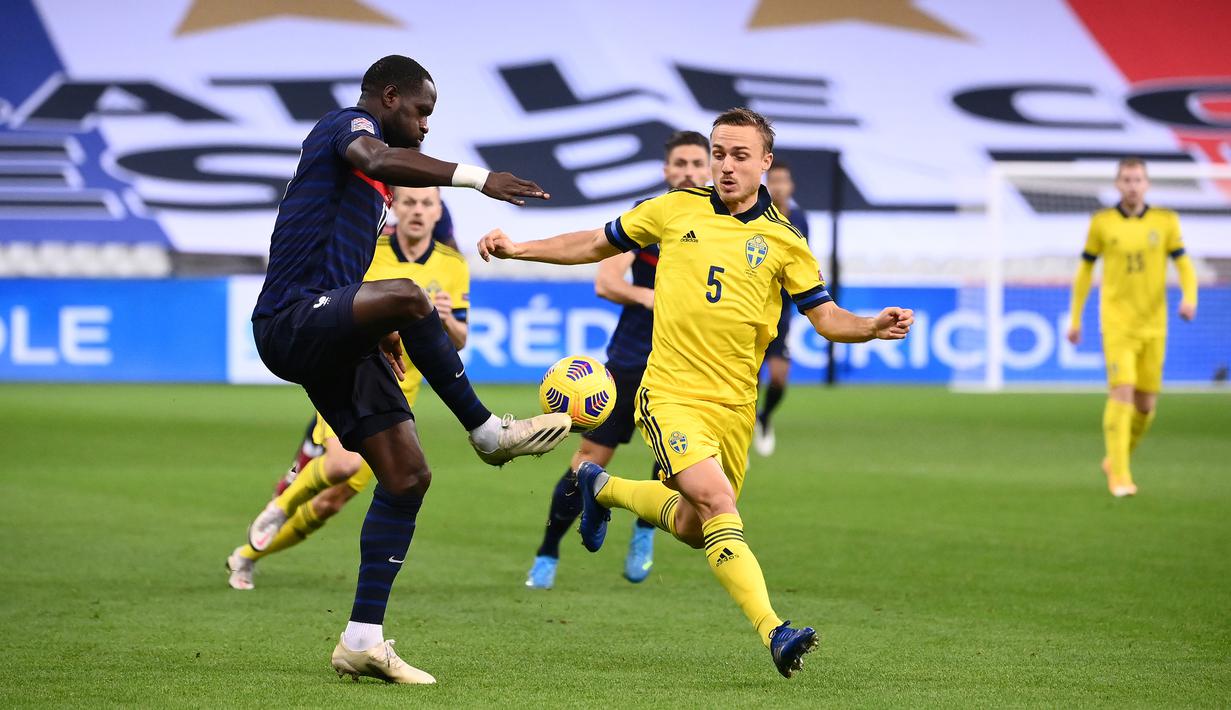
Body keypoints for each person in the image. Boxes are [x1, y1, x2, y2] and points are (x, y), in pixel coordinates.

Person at [478, 108, 913, 678]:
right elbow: (593, 243)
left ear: (765, 162)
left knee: (692, 524)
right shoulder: (673, 207)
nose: (726, 166)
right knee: (718, 504)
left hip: (735, 406)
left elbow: (826, 317)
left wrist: (871, 326)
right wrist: (519, 248)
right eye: (719, 154)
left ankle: (601, 487)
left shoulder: (785, 240)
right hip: (670, 394)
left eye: (740, 156)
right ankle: (775, 630)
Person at [250, 55, 572, 684]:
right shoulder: (344, 126)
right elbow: (375, 159)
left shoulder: (370, 182)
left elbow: (342, 251)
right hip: (287, 319)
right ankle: (487, 433)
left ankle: (361, 640)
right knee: (409, 292)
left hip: (332, 336)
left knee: (407, 477)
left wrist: (376, 326)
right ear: (389, 96)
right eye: (422, 111)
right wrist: (480, 178)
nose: (425, 125)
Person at [228, 186, 469, 590]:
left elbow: (459, 341)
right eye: (410, 202)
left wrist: (443, 320)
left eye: (427, 203)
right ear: (395, 207)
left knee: (330, 503)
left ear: (438, 211)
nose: (417, 210)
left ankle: (245, 556)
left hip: (399, 399)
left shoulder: (453, 264)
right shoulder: (369, 250)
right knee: (343, 464)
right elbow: (338, 307)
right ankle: (281, 504)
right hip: (353, 372)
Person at [525, 130, 712, 590]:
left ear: (708, 169)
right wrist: (653, 298)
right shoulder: (648, 216)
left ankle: (644, 532)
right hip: (631, 359)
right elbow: (607, 282)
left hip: (686, 362)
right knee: (588, 459)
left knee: (677, 462)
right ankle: (547, 552)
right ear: (667, 170)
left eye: (696, 163)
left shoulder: (721, 223)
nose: (688, 171)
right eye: (680, 163)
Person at [1067, 158, 1198, 498]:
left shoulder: (1165, 221)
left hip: (1154, 324)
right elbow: (1085, 272)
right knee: (1121, 391)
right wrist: (1075, 317)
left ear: (1147, 184)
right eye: (1126, 179)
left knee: (1145, 406)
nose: (1132, 186)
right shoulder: (1102, 223)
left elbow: (1184, 264)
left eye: (1137, 179)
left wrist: (1190, 297)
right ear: (1117, 184)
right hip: (1117, 323)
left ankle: (1114, 460)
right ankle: (1121, 477)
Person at [753, 161, 810, 456]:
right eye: (772, 180)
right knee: (749, 378)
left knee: (778, 377)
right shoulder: (755, 213)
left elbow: (802, 260)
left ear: (791, 186)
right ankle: (741, 432)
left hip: (781, 311)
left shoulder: (799, 219)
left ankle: (764, 417)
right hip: (751, 309)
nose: (777, 187)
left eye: (782, 181)